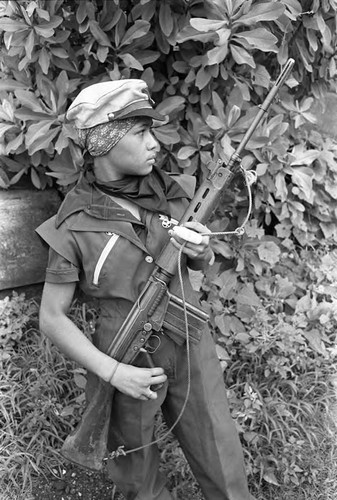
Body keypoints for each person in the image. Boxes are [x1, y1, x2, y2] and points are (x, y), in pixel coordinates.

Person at [37, 79, 252, 500]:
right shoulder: (74, 222)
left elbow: (195, 264)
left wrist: (202, 251)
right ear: (103, 143)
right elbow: (51, 317)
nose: (155, 144)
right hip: (128, 354)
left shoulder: (170, 193)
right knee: (137, 476)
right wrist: (115, 373)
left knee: (222, 458)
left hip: (191, 344)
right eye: (141, 133)